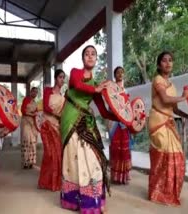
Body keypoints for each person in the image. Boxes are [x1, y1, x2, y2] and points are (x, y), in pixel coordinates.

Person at [60, 45, 113, 213]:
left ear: (96, 59)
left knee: (92, 157)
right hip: (71, 119)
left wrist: (124, 118)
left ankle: (91, 199)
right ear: (83, 59)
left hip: (86, 121)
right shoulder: (76, 72)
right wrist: (95, 89)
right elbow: (76, 84)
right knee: (74, 158)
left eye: (93, 54)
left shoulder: (96, 84)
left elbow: (104, 111)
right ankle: (74, 199)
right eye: (87, 54)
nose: (90, 56)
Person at [148, 51, 188, 206]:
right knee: (163, 157)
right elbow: (165, 99)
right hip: (158, 122)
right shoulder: (157, 79)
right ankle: (157, 192)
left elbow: (174, 109)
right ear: (159, 65)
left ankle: (168, 192)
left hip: (168, 121)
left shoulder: (172, 85)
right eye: (164, 60)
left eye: (170, 60)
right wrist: (184, 97)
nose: (168, 63)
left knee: (177, 156)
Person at [38, 69, 66, 191]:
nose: (62, 80)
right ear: (55, 78)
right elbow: (45, 107)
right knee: (49, 153)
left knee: (57, 154)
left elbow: (64, 113)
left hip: (57, 127)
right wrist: (57, 115)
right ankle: (45, 182)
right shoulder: (48, 91)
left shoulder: (63, 97)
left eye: (63, 77)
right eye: (60, 77)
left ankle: (55, 183)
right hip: (47, 125)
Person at [108, 66, 132, 184]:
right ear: (114, 75)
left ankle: (124, 176)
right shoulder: (112, 90)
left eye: (122, 72)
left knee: (125, 149)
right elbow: (110, 108)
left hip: (124, 123)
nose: (120, 74)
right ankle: (116, 176)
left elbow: (128, 107)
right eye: (118, 72)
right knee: (116, 149)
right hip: (115, 122)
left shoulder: (126, 91)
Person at [20, 87, 39, 169]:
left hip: (32, 123)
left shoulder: (35, 103)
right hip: (26, 122)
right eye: (33, 91)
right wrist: (32, 114)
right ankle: (25, 162)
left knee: (33, 141)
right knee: (27, 140)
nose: (35, 93)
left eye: (36, 92)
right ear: (30, 92)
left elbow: (37, 114)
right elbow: (23, 111)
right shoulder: (26, 100)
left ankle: (31, 161)